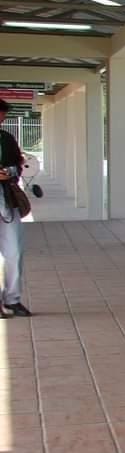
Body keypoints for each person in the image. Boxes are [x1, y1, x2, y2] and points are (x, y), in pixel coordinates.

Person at [0, 100, 29, 318]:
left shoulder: (6, 138)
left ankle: (13, 299)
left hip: (7, 200)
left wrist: (9, 172)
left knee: (14, 251)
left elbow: (18, 165)